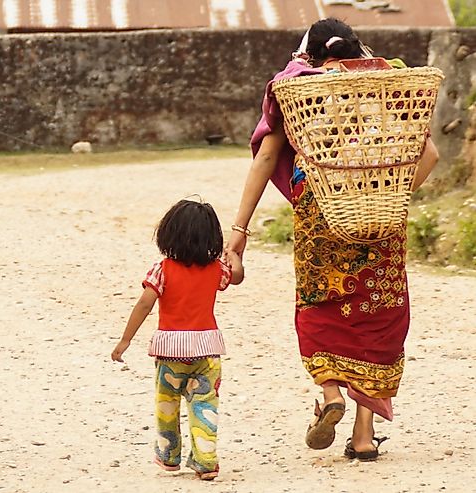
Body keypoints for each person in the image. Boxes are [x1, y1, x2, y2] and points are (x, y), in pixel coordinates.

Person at [226, 18, 440, 461]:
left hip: (320, 215)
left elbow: (268, 155)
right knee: (376, 317)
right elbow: (431, 154)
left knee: (320, 306)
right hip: (380, 220)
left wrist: (239, 231)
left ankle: (330, 394)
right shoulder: (383, 87)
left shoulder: (299, 90)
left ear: (311, 53)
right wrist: (393, 197)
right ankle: (363, 437)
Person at [111, 198, 244, 480]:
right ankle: (206, 462)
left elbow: (145, 303)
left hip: (170, 351)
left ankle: (169, 457)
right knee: (205, 404)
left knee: (167, 405)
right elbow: (236, 277)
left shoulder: (163, 269)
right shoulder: (216, 269)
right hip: (207, 350)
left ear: (168, 234)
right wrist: (235, 258)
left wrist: (126, 340)